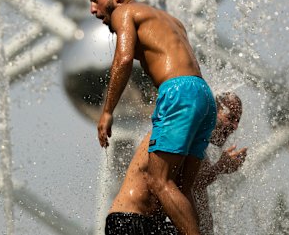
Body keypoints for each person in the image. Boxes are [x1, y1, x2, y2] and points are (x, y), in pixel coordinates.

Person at [91, 0, 217, 235]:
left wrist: (107, 112)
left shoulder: (124, 12)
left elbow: (124, 60)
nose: (93, 9)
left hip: (177, 91)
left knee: (159, 180)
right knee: (182, 188)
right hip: (202, 93)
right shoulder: (172, 21)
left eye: (95, 0)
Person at [105, 92, 247, 235]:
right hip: (130, 220)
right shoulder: (180, 131)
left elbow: (196, 197)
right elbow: (190, 184)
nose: (234, 126)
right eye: (230, 118)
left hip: (153, 224)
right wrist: (219, 168)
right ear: (212, 113)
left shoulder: (198, 151)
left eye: (237, 121)